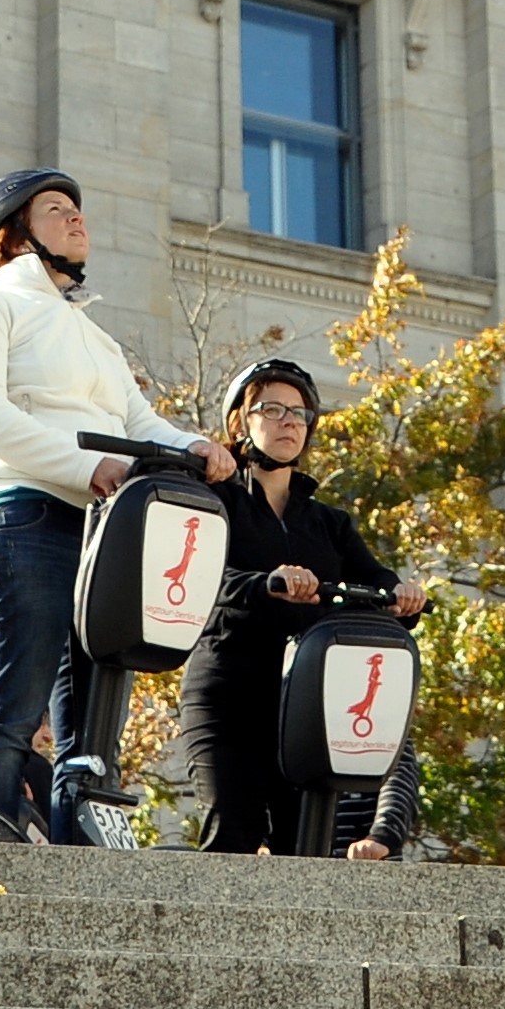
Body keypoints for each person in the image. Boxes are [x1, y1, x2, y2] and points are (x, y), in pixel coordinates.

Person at [0, 167, 226, 841]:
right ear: (10, 236)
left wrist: (198, 445)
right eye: (56, 209)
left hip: (103, 529)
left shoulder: (97, 338)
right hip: (23, 514)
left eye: (79, 210)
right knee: (14, 702)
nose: (77, 219)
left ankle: (76, 868)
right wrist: (83, 465)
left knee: (92, 727)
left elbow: (140, 422)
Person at [176, 357, 427, 854]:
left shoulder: (327, 522)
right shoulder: (216, 501)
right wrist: (266, 583)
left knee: (305, 848)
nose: (288, 421)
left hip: (305, 704)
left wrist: (404, 597)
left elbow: (377, 582)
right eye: (270, 409)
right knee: (233, 832)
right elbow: (200, 579)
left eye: (299, 413)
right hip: (227, 694)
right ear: (239, 422)